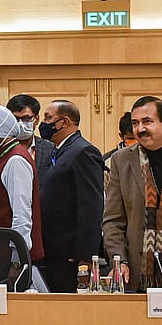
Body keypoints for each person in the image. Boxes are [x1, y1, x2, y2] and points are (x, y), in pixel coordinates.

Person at [37, 100, 103, 293]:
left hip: (70, 254)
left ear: (64, 122)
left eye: (48, 118)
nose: (43, 123)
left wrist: (85, 254)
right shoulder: (57, 150)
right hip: (52, 248)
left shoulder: (84, 151)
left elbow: (91, 205)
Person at [104, 96, 162, 291]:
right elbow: (113, 220)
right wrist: (118, 260)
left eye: (147, 121)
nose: (140, 129)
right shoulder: (122, 160)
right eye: (135, 123)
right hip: (138, 274)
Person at [0, 104, 44, 262]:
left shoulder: (15, 160)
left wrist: (16, 259)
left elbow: (22, 214)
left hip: (10, 256)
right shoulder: (0, 156)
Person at [0, 94, 55, 199]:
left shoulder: (50, 149)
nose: (20, 124)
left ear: (37, 119)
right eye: (15, 118)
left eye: (26, 118)